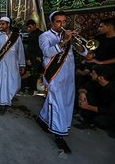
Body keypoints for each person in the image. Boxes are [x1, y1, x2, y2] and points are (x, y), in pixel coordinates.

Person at [36, 10, 88, 154]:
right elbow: (47, 52)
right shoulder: (44, 36)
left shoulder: (68, 35)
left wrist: (74, 42)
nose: (62, 24)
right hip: (53, 76)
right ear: (51, 23)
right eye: (58, 21)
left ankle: (42, 119)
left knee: (64, 102)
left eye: (64, 21)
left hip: (68, 76)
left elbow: (84, 52)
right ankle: (59, 135)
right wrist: (64, 41)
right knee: (57, 103)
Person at [0, 17, 26, 115]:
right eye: (0, 24)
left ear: (8, 25)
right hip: (0, 63)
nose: (0, 26)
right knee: (2, 82)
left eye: (3, 24)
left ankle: (8, 97)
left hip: (13, 63)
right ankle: (3, 103)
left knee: (14, 82)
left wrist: (22, 65)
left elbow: (20, 51)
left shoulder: (16, 37)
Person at [76, 65, 115, 139]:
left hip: (112, 114)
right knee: (87, 96)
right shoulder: (97, 82)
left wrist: (87, 107)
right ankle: (88, 120)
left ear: (101, 77)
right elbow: (84, 87)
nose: (91, 74)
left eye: (93, 73)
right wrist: (82, 93)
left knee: (100, 121)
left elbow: (111, 111)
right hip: (102, 106)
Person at [25, 19, 44, 95]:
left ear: (34, 25)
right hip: (31, 56)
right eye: (28, 27)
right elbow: (29, 47)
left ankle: (34, 88)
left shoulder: (41, 34)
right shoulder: (30, 34)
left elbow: (42, 46)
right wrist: (28, 58)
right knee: (32, 72)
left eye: (30, 27)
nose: (29, 29)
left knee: (36, 73)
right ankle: (32, 87)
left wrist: (39, 56)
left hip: (38, 56)